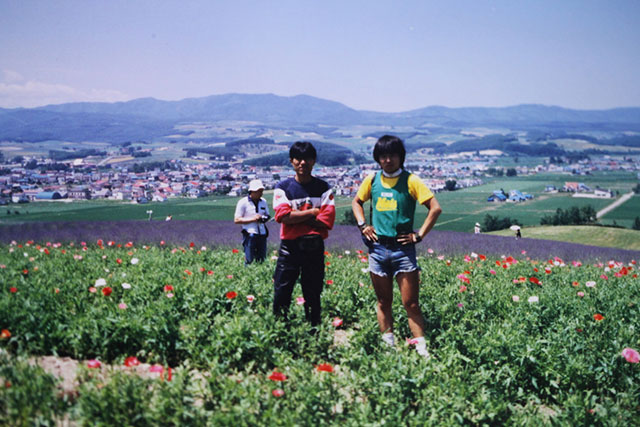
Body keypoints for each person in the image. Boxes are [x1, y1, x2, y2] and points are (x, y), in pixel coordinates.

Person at [352, 135, 442, 358]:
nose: (388, 160)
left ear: (401, 157)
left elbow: (435, 208)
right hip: (378, 248)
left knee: (410, 303)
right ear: (377, 158)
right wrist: (363, 225)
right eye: (383, 156)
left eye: (392, 155)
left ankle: (422, 349)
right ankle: (388, 346)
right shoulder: (372, 180)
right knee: (383, 302)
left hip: (403, 250)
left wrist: (418, 236)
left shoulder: (411, 181)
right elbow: (356, 202)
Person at [272, 142, 335, 326]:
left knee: (313, 292)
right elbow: (282, 216)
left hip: (314, 247)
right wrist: (312, 212)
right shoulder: (283, 187)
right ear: (291, 161)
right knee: (282, 290)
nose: (302, 163)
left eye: (307, 158)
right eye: (298, 159)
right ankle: (280, 328)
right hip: (289, 248)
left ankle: (314, 329)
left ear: (314, 161)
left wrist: (295, 217)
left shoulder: (323, 187)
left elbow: (327, 221)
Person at [234, 179, 270, 265]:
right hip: (250, 234)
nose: (261, 193)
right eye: (259, 191)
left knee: (262, 259)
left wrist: (263, 218)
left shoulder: (263, 202)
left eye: (261, 191)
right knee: (249, 259)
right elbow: (237, 220)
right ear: (252, 191)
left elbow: (268, 215)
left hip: (262, 234)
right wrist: (253, 219)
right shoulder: (243, 202)